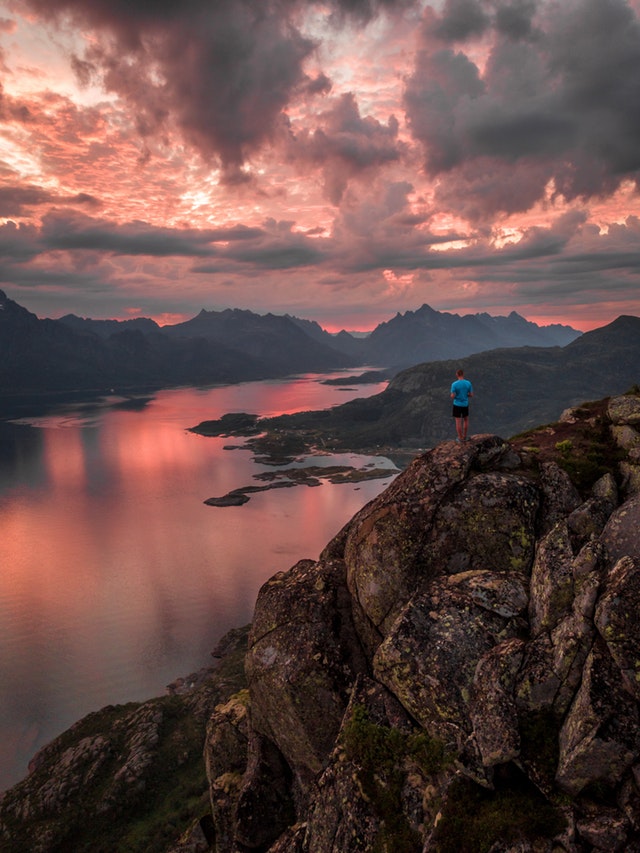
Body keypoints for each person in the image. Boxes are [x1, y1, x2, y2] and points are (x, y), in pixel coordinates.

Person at [450, 368, 473, 442]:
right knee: (466, 420)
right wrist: (466, 395)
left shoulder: (454, 384)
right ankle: (465, 436)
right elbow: (471, 394)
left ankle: (460, 437)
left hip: (457, 404)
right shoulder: (468, 383)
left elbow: (453, 396)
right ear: (463, 374)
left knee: (458, 421)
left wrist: (455, 396)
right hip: (465, 404)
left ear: (457, 375)